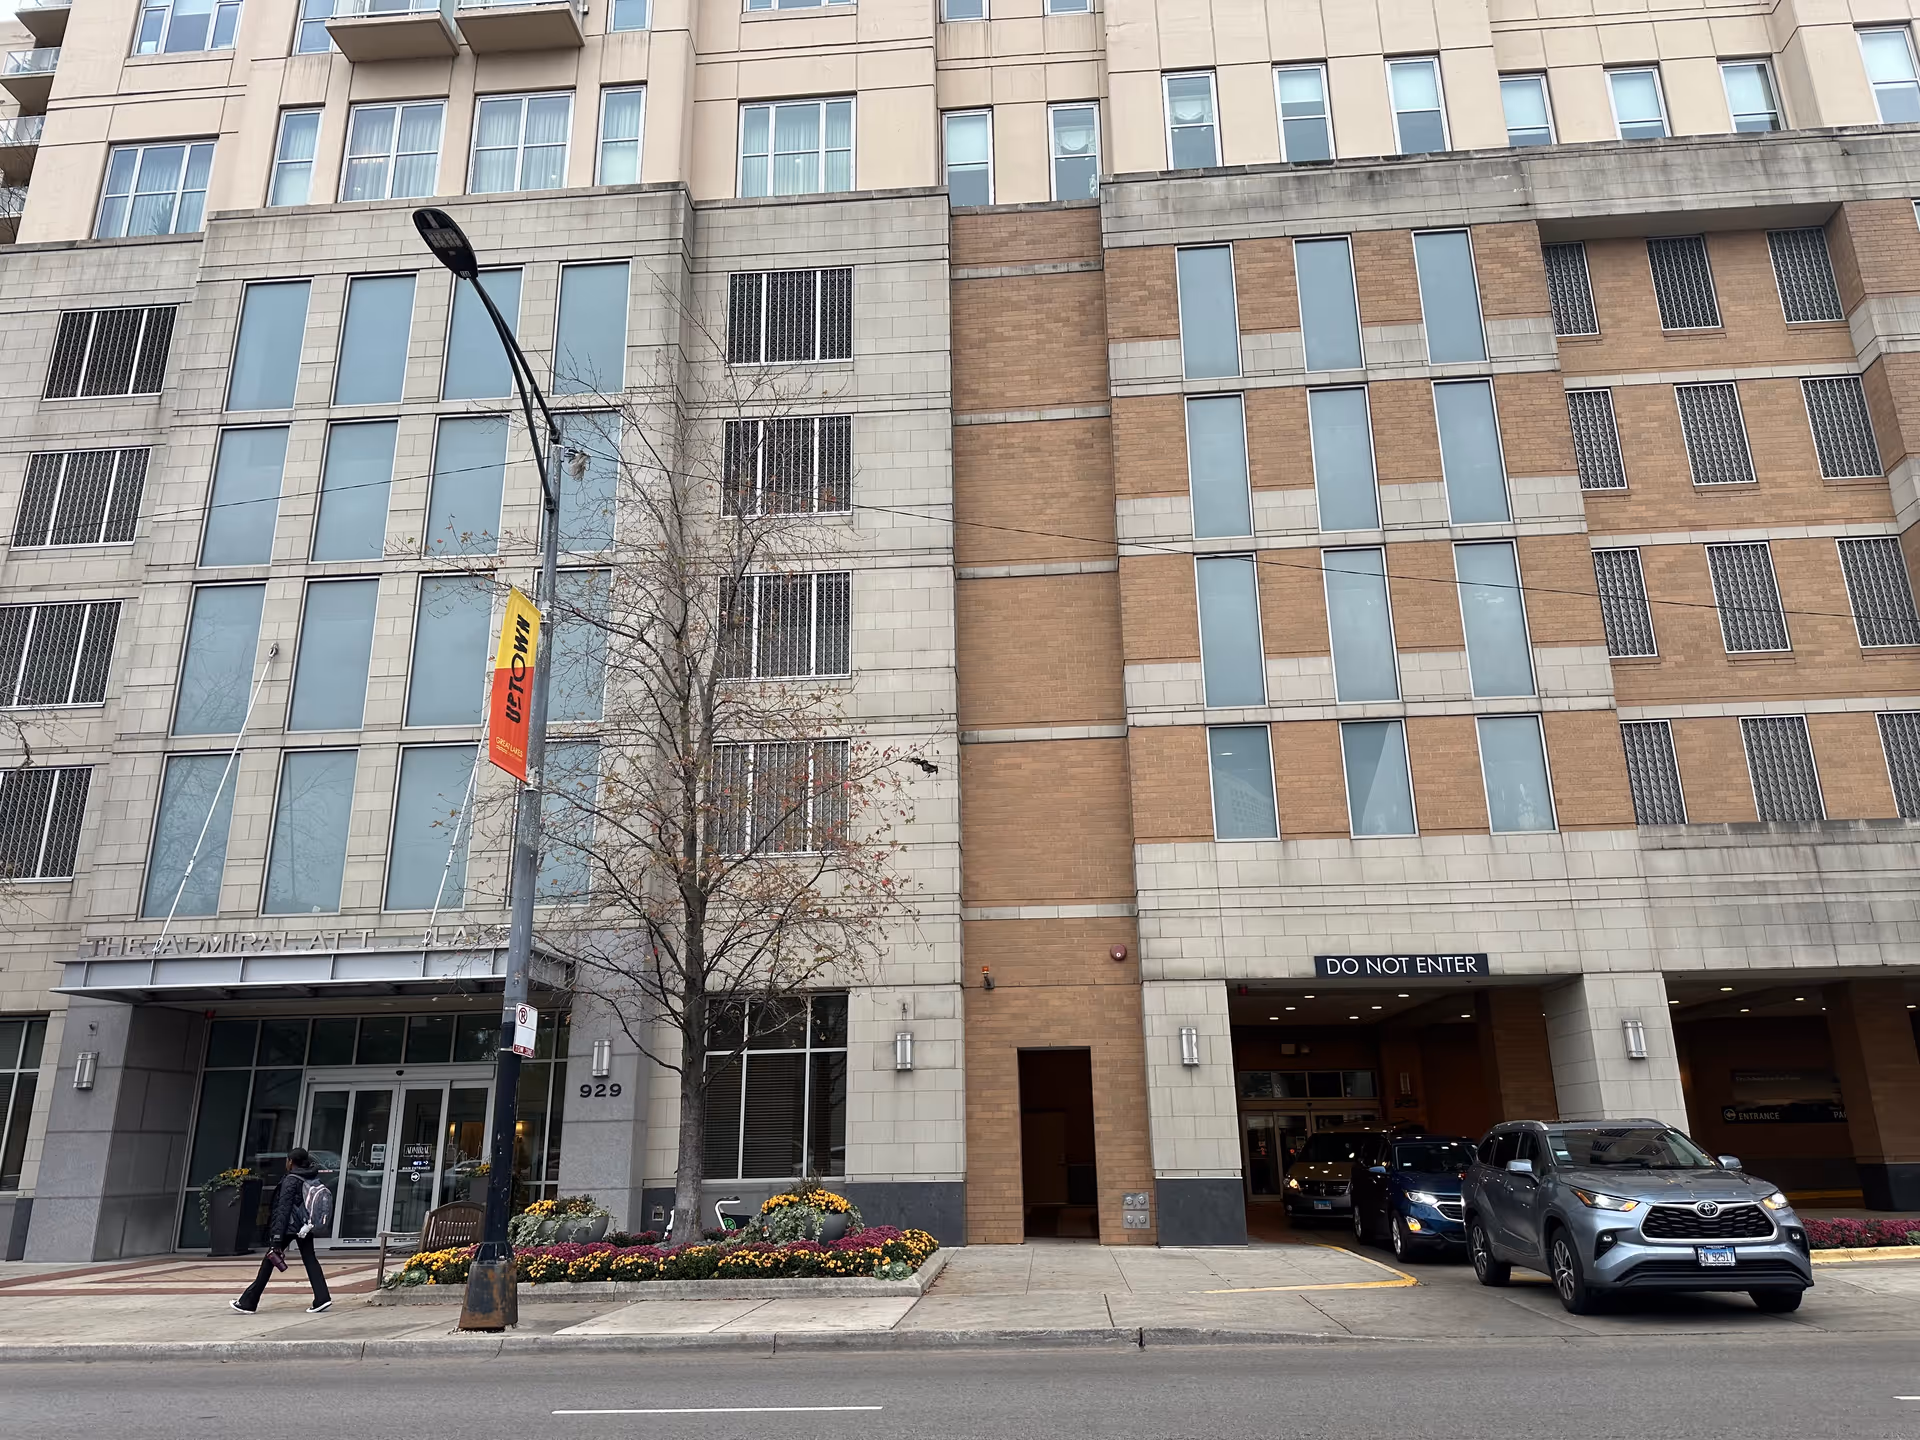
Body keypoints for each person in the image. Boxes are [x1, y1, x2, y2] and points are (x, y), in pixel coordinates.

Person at [232, 1148, 333, 1314]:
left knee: (269, 1260)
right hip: (303, 1226)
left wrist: (276, 1238)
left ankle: (248, 1302)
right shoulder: (310, 1175)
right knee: (310, 1260)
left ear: (291, 1162)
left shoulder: (291, 1180)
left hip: (289, 1227)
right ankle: (322, 1298)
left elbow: (283, 1210)